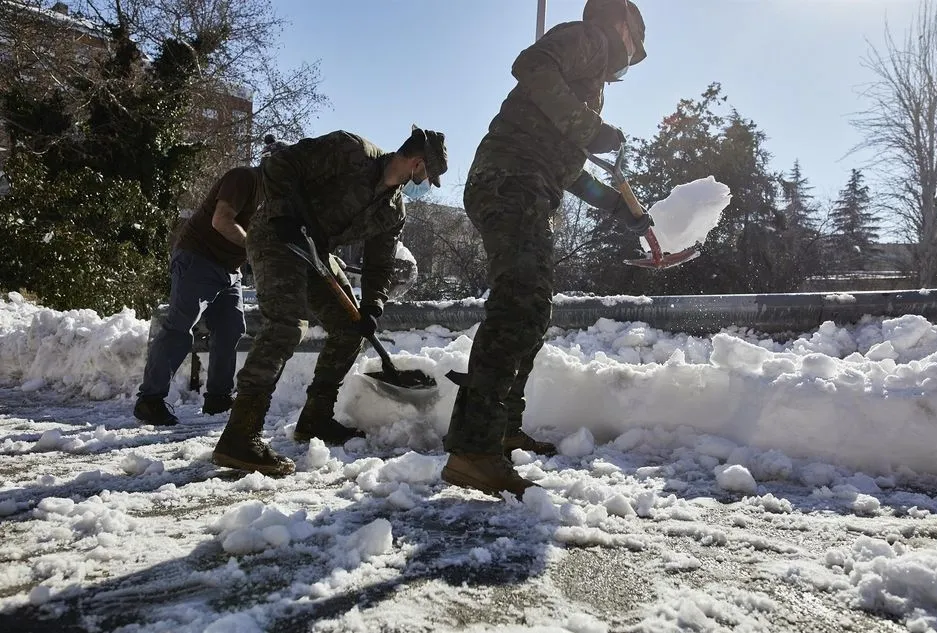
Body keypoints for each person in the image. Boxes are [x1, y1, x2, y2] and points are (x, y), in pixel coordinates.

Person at [441, 0, 654, 498]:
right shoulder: (589, 39)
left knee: (532, 309)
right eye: (635, 44)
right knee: (517, 305)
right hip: (510, 179)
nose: (629, 58)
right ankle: (473, 450)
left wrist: (619, 208)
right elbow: (529, 64)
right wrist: (589, 127)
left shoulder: (587, 83)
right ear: (623, 26)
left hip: (527, 183)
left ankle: (499, 428)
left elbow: (570, 171)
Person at [211, 126, 448, 476]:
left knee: (351, 329)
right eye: (427, 175)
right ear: (416, 162)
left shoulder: (393, 210)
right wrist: (285, 213)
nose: (424, 184)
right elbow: (280, 165)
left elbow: (379, 264)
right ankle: (240, 435)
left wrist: (372, 306)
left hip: (316, 253)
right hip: (278, 235)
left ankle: (315, 419)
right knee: (286, 327)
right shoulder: (350, 150)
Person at [133, 151, 275, 425]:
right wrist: (255, 247)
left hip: (229, 271)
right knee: (179, 327)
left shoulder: (274, 198)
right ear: (271, 165)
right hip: (198, 259)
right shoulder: (244, 178)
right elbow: (221, 220)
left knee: (231, 328)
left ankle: (218, 398)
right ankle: (149, 400)